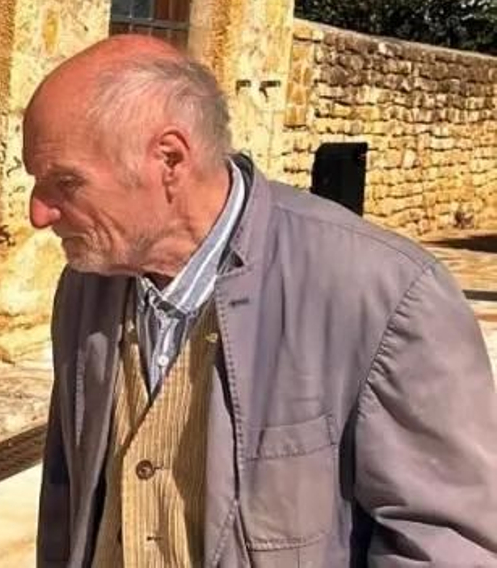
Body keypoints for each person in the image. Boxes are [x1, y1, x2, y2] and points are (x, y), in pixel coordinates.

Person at [26, 35, 497, 566]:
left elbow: (446, 544)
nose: (38, 214)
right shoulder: (88, 285)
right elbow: (68, 499)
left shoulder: (385, 295)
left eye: (65, 183)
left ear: (170, 160)